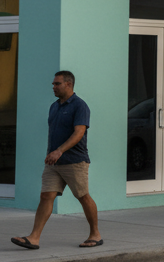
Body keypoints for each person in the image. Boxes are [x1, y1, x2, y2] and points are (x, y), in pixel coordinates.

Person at [11, 71, 102, 250]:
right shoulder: (54, 106)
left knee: (83, 196)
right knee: (46, 196)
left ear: (68, 84)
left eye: (57, 84)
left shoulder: (80, 106)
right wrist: (52, 154)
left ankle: (95, 234)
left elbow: (79, 133)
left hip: (74, 161)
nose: (53, 87)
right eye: (53, 84)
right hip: (53, 162)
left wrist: (59, 151)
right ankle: (34, 237)